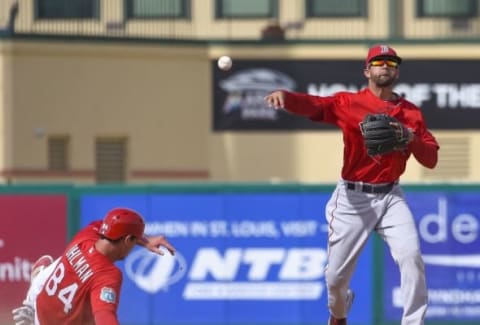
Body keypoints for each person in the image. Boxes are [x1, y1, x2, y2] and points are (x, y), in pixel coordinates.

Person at [264, 45, 439, 325]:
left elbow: (430, 159)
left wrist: (410, 138)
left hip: (391, 195)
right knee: (335, 280)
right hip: (352, 198)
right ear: (367, 70)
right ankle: (339, 313)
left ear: (397, 70)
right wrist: (287, 97)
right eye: (379, 62)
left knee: (411, 256)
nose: (385, 66)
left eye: (391, 63)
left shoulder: (411, 114)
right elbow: (317, 106)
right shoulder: (349, 103)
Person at [12, 207, 176, 325]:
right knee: (89, 315)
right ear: (127, 240)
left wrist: (145, 241)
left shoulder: (87, 234)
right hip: (54, 320)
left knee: (58, 265)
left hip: (41, 301)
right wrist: (145, 241)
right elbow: (104, 316)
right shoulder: (108, 274)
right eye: (134, 240)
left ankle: (32, 296)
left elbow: (102, 224)